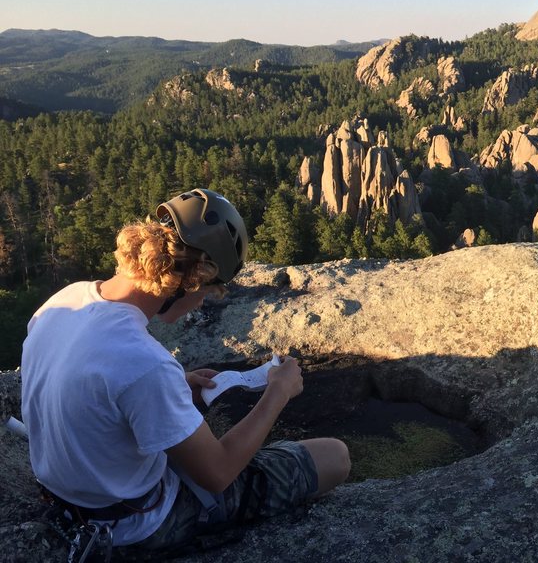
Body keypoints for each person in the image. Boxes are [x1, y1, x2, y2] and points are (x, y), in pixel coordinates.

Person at [21, 188, 350, 557]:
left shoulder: (62, 302)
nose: (201, 304)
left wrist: (178, 388)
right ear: (193, 279)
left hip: (70, 502)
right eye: (209, 292)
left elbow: (94, 395)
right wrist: (279, 392)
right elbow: (218, 472)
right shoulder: (144, 363)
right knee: (333, 456)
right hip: (133, 526)